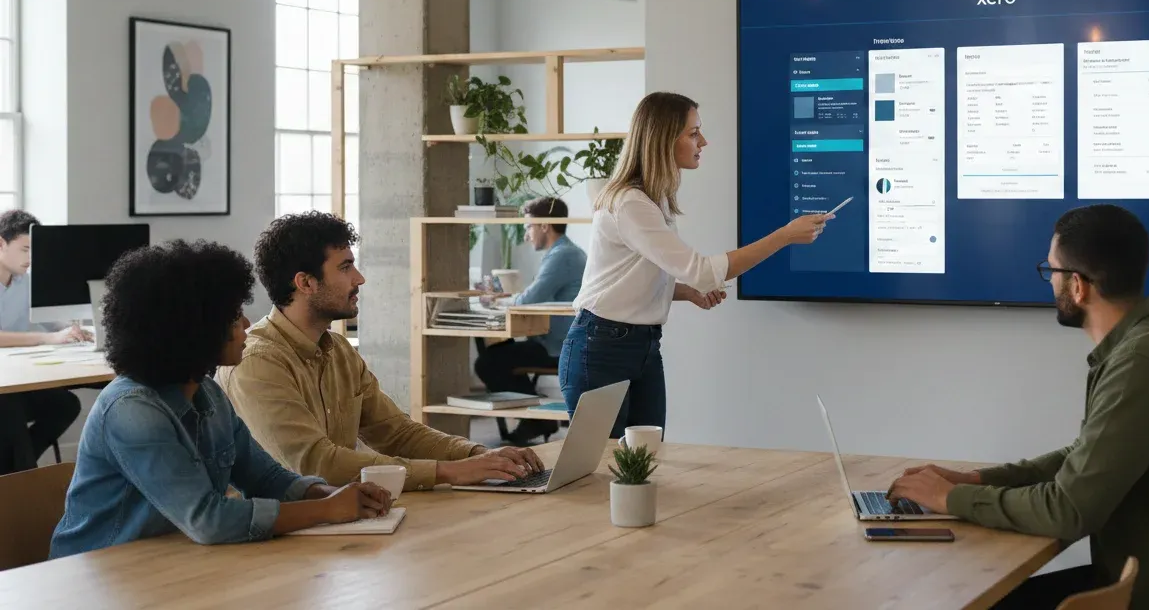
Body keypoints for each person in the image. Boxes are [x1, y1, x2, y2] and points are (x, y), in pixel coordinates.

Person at [885, 204, 1149, 610]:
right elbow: (1085, 458)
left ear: (1078, 286)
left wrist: (950, 499)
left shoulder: (1141, 363)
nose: (1050, 282)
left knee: (964, 600)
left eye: (1051, 271)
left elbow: (1069, 510)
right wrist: (973, 480)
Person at [49, 240, 390, 559]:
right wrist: (327, 510)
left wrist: (331, 494)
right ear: (195, 327)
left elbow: (266, 479)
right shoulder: (131, 410)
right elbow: (207, 519)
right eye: (234, 315)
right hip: (98, 571)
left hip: (170, 561)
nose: (246, 323)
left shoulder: (207, 393)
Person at [564, 92, 832, 437]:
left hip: (640, 345)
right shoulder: (631, 203)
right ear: (663, 139)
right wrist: (784, 235)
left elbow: (629, 278)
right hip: (602, 347)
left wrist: (685, 292)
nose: (703, 141)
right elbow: (702, 271)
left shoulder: (653, 199)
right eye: (693, 133)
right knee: (602, 464)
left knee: (644, 460)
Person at [217, 212, 543, 492]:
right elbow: (315, 464)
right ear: (305, 283)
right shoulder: (257, 361)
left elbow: (397, 433)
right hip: (278, 530)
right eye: (345, 267)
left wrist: (477, 455)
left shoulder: (339, 351)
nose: (359, 278)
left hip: (343, 516)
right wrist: (449, 472)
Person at [474, 196, 587, 445]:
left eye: (528, 226)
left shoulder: (563, 256)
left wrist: (497, 301)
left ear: (544, 225)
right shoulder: (567, 252)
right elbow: (532, 297)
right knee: (500, 353)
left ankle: (537, 418)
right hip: (561, 342)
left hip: (559, 348)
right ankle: (536, 417)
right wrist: (509, 299)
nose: (526, 235)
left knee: (488, 362)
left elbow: (528, 299)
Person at [0, 209, 88, 474]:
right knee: (10, 409)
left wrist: (72, 330)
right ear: (1, 244)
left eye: (33, 250)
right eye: (25, 249)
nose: (30, 258)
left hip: (16, 378)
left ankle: (15, 470)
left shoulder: (23, 281)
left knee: (66, 405)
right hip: (4, 388)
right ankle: (24, 476)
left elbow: (47, 318)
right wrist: (49, 338)